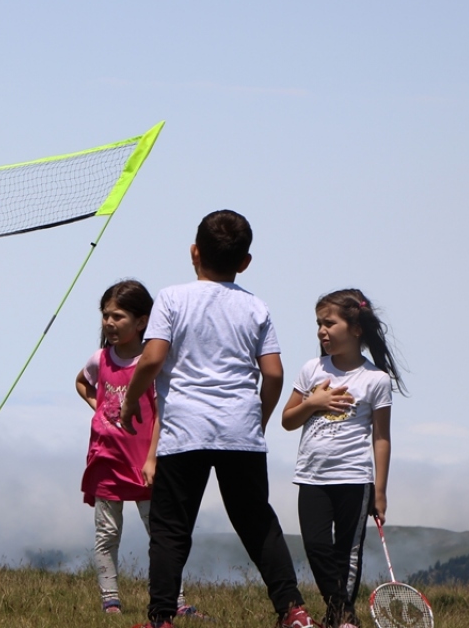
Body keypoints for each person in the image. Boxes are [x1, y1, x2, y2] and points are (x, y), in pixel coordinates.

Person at [118, 210, 316, 628]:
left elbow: (152, 359)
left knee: (171, 529)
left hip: (184, 431)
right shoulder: (255, 307)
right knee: (257, 522)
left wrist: (132, 399)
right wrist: (256, 419)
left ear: (194, 252)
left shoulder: (172, 299)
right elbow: (275, 373)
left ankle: (161, 619)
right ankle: (293, 611)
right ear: (244, 262)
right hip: (239, 430)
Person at [76, 280, 205, 618]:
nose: (109, 323)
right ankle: (110, 601)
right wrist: (101, 409)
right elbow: (82, 382)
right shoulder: (100, 359)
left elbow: (163, 412)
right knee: (107, 533)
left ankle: (174, 602)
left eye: (118, 316)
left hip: (144, 463)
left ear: (142, 322)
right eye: (106, 316)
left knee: (160, 535)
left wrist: (152, 459)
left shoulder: (153, 365)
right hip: (105, 460)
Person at [282, 289, 402, 628]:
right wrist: (312, 403)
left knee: (347, 553)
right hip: (311, 477)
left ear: (356, 329)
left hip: (354, 478)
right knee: (317, 546)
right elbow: (288, 420)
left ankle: (341, 617)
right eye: (319, 323)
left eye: (329, 323)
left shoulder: (375, 380)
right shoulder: (311, 369)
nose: (322, 330)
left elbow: (381, 437)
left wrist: (380, 490)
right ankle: (342, 612)